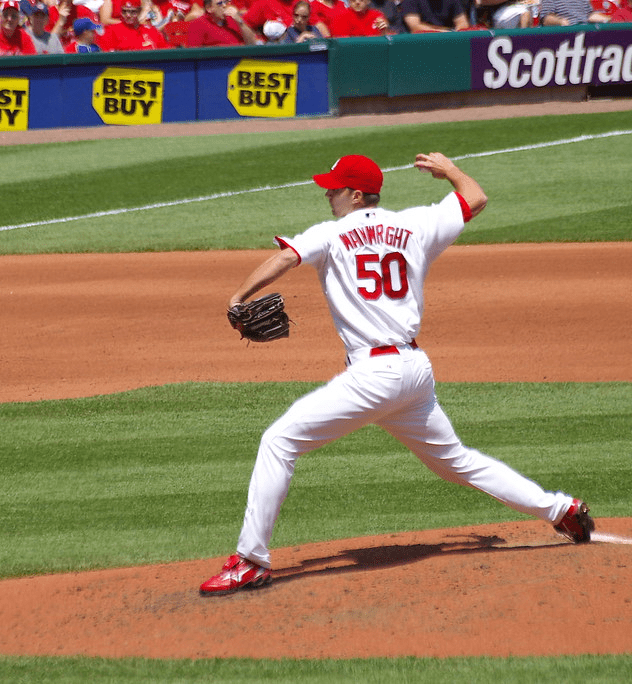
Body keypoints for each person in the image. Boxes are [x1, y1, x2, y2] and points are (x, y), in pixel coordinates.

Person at [199, 152, 596, 595]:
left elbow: (287, 258)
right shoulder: (416, 224)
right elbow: (475, 197)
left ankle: (250, 561)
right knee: (457, 461)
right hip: (413, 373)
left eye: (333, 189)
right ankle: (562, 510)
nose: (327, 195)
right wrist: (449, 171)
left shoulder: (330, 234)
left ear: (354, 195)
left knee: (279, 440)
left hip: (373, 377)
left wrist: (236, 296)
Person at [98, 0, 169, 49]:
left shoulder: (150, 30)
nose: (128, 15)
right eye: (124, 11)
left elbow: (165, 49)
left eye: (132, 12)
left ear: (139, 12)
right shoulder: (111, 31)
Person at [186, 0, 256, 46]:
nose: (224, 6)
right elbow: (194, 53)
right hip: (215, 65)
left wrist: (240, 22)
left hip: (241, 62)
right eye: (220, 3)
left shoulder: (234, 21)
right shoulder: (198, 24)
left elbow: (252, 42)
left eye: (225, 2)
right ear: (209, 8)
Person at [401, 0, 470, 32]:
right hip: (420, 42)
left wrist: (454, 32)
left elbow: (463, 23)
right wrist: (443, 32)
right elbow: (415, 27)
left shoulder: (453, 1)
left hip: (448, 41)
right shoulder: (410, 1)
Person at [537, 0, 608, 24]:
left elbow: (590, 15)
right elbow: (546, 19)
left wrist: (607, 19)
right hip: (567, 33)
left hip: (586, 31)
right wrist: (560, 21)